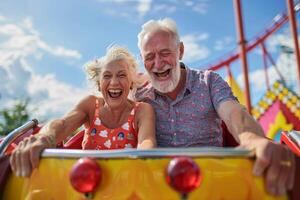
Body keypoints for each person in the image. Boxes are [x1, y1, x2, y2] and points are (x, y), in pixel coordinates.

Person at [135, 18, 295, 196]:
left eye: (165, 53)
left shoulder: (209, 82)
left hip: (215, 181)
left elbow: (234, 112)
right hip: (161, 188)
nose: (158, 63)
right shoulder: (139, 96)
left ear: (180, 51)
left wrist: (252, 138)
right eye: (149, 57)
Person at [10, 46, 157, 177]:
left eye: (121, 75)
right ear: (99, 85)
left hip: (126, 184)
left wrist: (143, 156)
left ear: (131, 83)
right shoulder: (91, 105)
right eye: (107, 76)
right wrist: (45, 137)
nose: (114, 82)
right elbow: (63, 123)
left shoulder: (142, 110)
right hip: (85, 184)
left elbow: (146, 141)